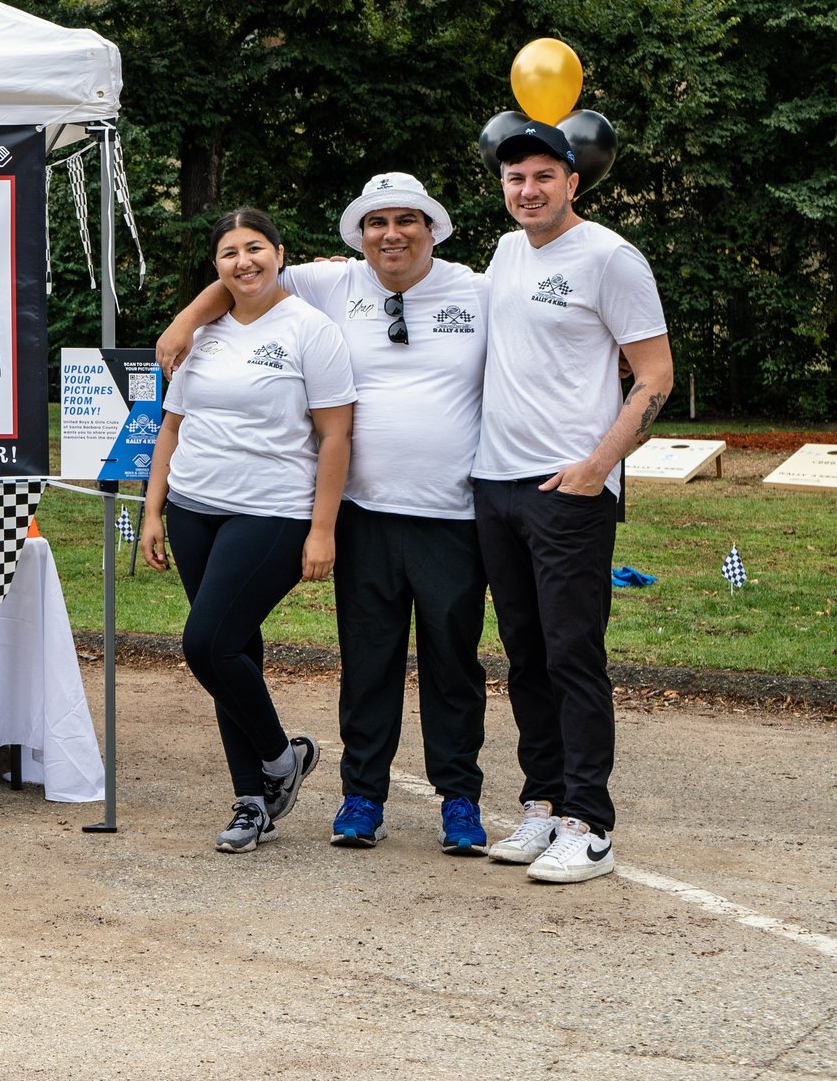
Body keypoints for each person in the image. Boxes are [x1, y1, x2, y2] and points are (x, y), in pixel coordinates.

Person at [155, 175, 494, 856]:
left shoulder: (477, 291)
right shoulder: (333, 283)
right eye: (376, 222)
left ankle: (460, 799)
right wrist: (187, 319)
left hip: (451, 510)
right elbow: (241, 276)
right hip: (363, 511)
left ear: (433, 227)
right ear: (358, 234)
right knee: (367, 661)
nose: (391, 233)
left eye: (406, 220)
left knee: (453, 662)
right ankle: (361, 796)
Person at [471, 120, 671, 884]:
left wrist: (597, 466)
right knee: (525, 655)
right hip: (497, 485)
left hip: (569, 492)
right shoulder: (504, 251)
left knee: (572, 654)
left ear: (573, 182)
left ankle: (590, 823)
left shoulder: (610, 257)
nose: (528, 190)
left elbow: (654, 374)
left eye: (543, 177)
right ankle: (543, 803)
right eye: (515, 177)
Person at [137, 208, 356, 854]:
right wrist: (153, 509)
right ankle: (252, 802)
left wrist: (323, 528)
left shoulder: (310, 329)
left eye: (255, 247)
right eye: (229, 251)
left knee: (206, 643)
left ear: (280, 253)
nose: (244, 261)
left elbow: (336, 433)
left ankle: (280, 757)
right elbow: (171, 426)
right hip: (193, 508)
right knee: (234, 654)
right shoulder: (201, 332)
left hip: (273, 511)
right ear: (217, 265)